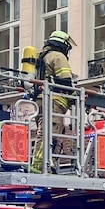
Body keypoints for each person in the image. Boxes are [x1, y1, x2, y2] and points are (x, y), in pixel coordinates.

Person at [31, 30, 76, 171]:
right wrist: (77, 95)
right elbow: (65, 81)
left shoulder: (41, 57)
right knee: (48, 134)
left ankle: (46, 165)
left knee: (48, 133)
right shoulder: (58, 56)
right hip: (54, 103)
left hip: (40, 101)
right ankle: (39, 166)